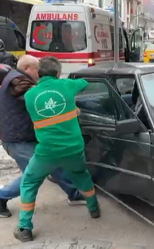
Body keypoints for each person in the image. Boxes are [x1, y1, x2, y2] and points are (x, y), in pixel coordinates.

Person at [0, 55, 85, 218]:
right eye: (37, 69)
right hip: (18, 140)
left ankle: (74, 194)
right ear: (27, 69)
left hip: (23, 137)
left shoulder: (18, 78)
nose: (40, 73)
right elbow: (42, 100)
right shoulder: (17, 81)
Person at [14, 56, 100, 242]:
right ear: (58, 73)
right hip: (73, 148)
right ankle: (94, 209)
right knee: (81, 175)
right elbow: (84, 82)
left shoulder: (30, 95)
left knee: (29, 183)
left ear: (38, 73)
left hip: (47, 152)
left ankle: (25, 228)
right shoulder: (68, 86)